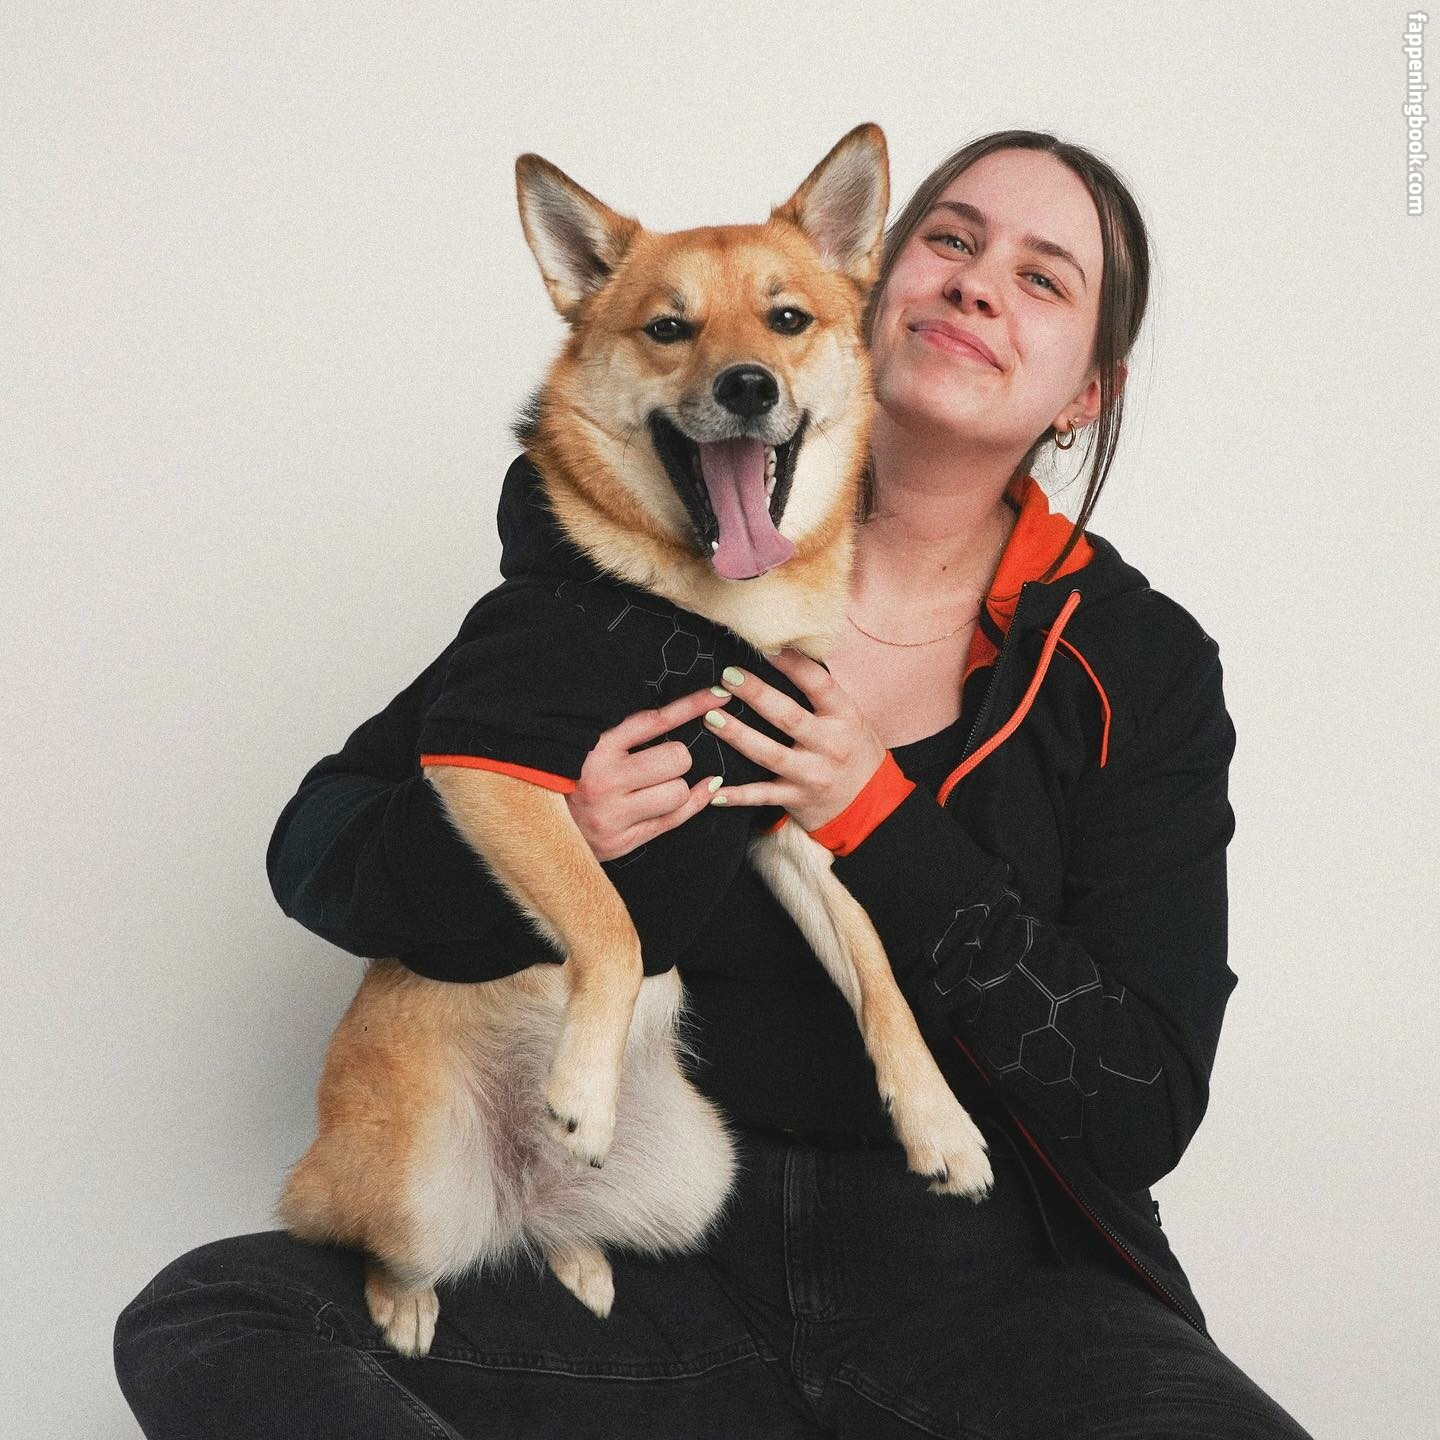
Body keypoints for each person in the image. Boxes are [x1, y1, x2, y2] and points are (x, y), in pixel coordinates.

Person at [114, 131, 1314, 1439]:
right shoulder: (621, 570)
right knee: (215, 1319)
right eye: (952, 241)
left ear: (1086, 390)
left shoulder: (1131, 662)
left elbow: (1138, 1104)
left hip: (991, 1281)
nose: (978, 283)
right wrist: (555, 839)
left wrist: (878, 819)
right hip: (657, 1251)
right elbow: (318, 846)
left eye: (1043, 277)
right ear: (868, 296)